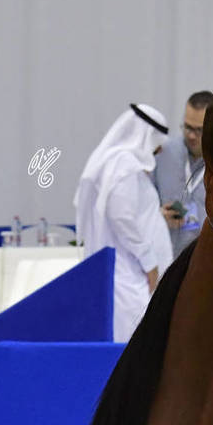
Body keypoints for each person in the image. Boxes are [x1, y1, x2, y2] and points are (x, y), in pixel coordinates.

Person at [74, 102, 174, 341]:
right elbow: (121, 217)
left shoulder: (121, 164)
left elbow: (131, 213)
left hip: (130, 273)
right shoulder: (124, 165)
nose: (158, 150)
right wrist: (150, 263)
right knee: (131, 345)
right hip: (128, 276)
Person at [151, 90, 213, 257]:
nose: (191, 136)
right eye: (187, 127)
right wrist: (158, 215)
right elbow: (142, 204)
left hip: (208, 265)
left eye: (199, 130)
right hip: (166, 261)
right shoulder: (163, 153)